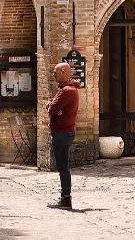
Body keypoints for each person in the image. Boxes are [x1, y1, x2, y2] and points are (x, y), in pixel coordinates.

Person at [46, 61, 79, 210]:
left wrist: (52, 106)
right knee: (62, 166)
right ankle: (65, 197)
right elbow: (54, 107)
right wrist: (53, 105)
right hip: (64, 132)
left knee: (63, 166)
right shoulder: (67, 89)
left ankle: (66, 198)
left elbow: (52, 110)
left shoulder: (67, 91)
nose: (53, 74)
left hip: (62, 133)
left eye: (56, 72)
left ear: (65, 72)